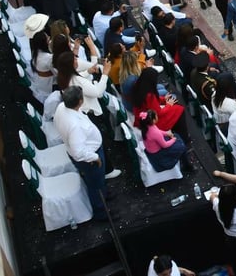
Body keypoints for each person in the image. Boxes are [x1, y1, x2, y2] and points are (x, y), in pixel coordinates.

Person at [53, 86, 117, 220]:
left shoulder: (61, 108)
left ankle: (104, 194)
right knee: (95, 185)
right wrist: (95, 157)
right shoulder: (75, 126)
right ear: (80, 101)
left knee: (98, 182)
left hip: (89, 150)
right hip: (90, 158)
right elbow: (78, 152)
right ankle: (101, 212)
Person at [131, 68, 189, 142]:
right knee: (180, 109)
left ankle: (177, 130)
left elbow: (154, 102)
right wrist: (168, 105)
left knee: (176, 107)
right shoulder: (149, 96)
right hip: (152, 121)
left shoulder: (138, 86)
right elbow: (158, 113)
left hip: (145, 117)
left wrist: (164, 99)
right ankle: (184, 138)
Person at [210, 184, 236, 276]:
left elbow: (212, 197)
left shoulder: (217, 206)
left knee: (234, 255)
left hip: (228, 236)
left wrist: (215, 195)